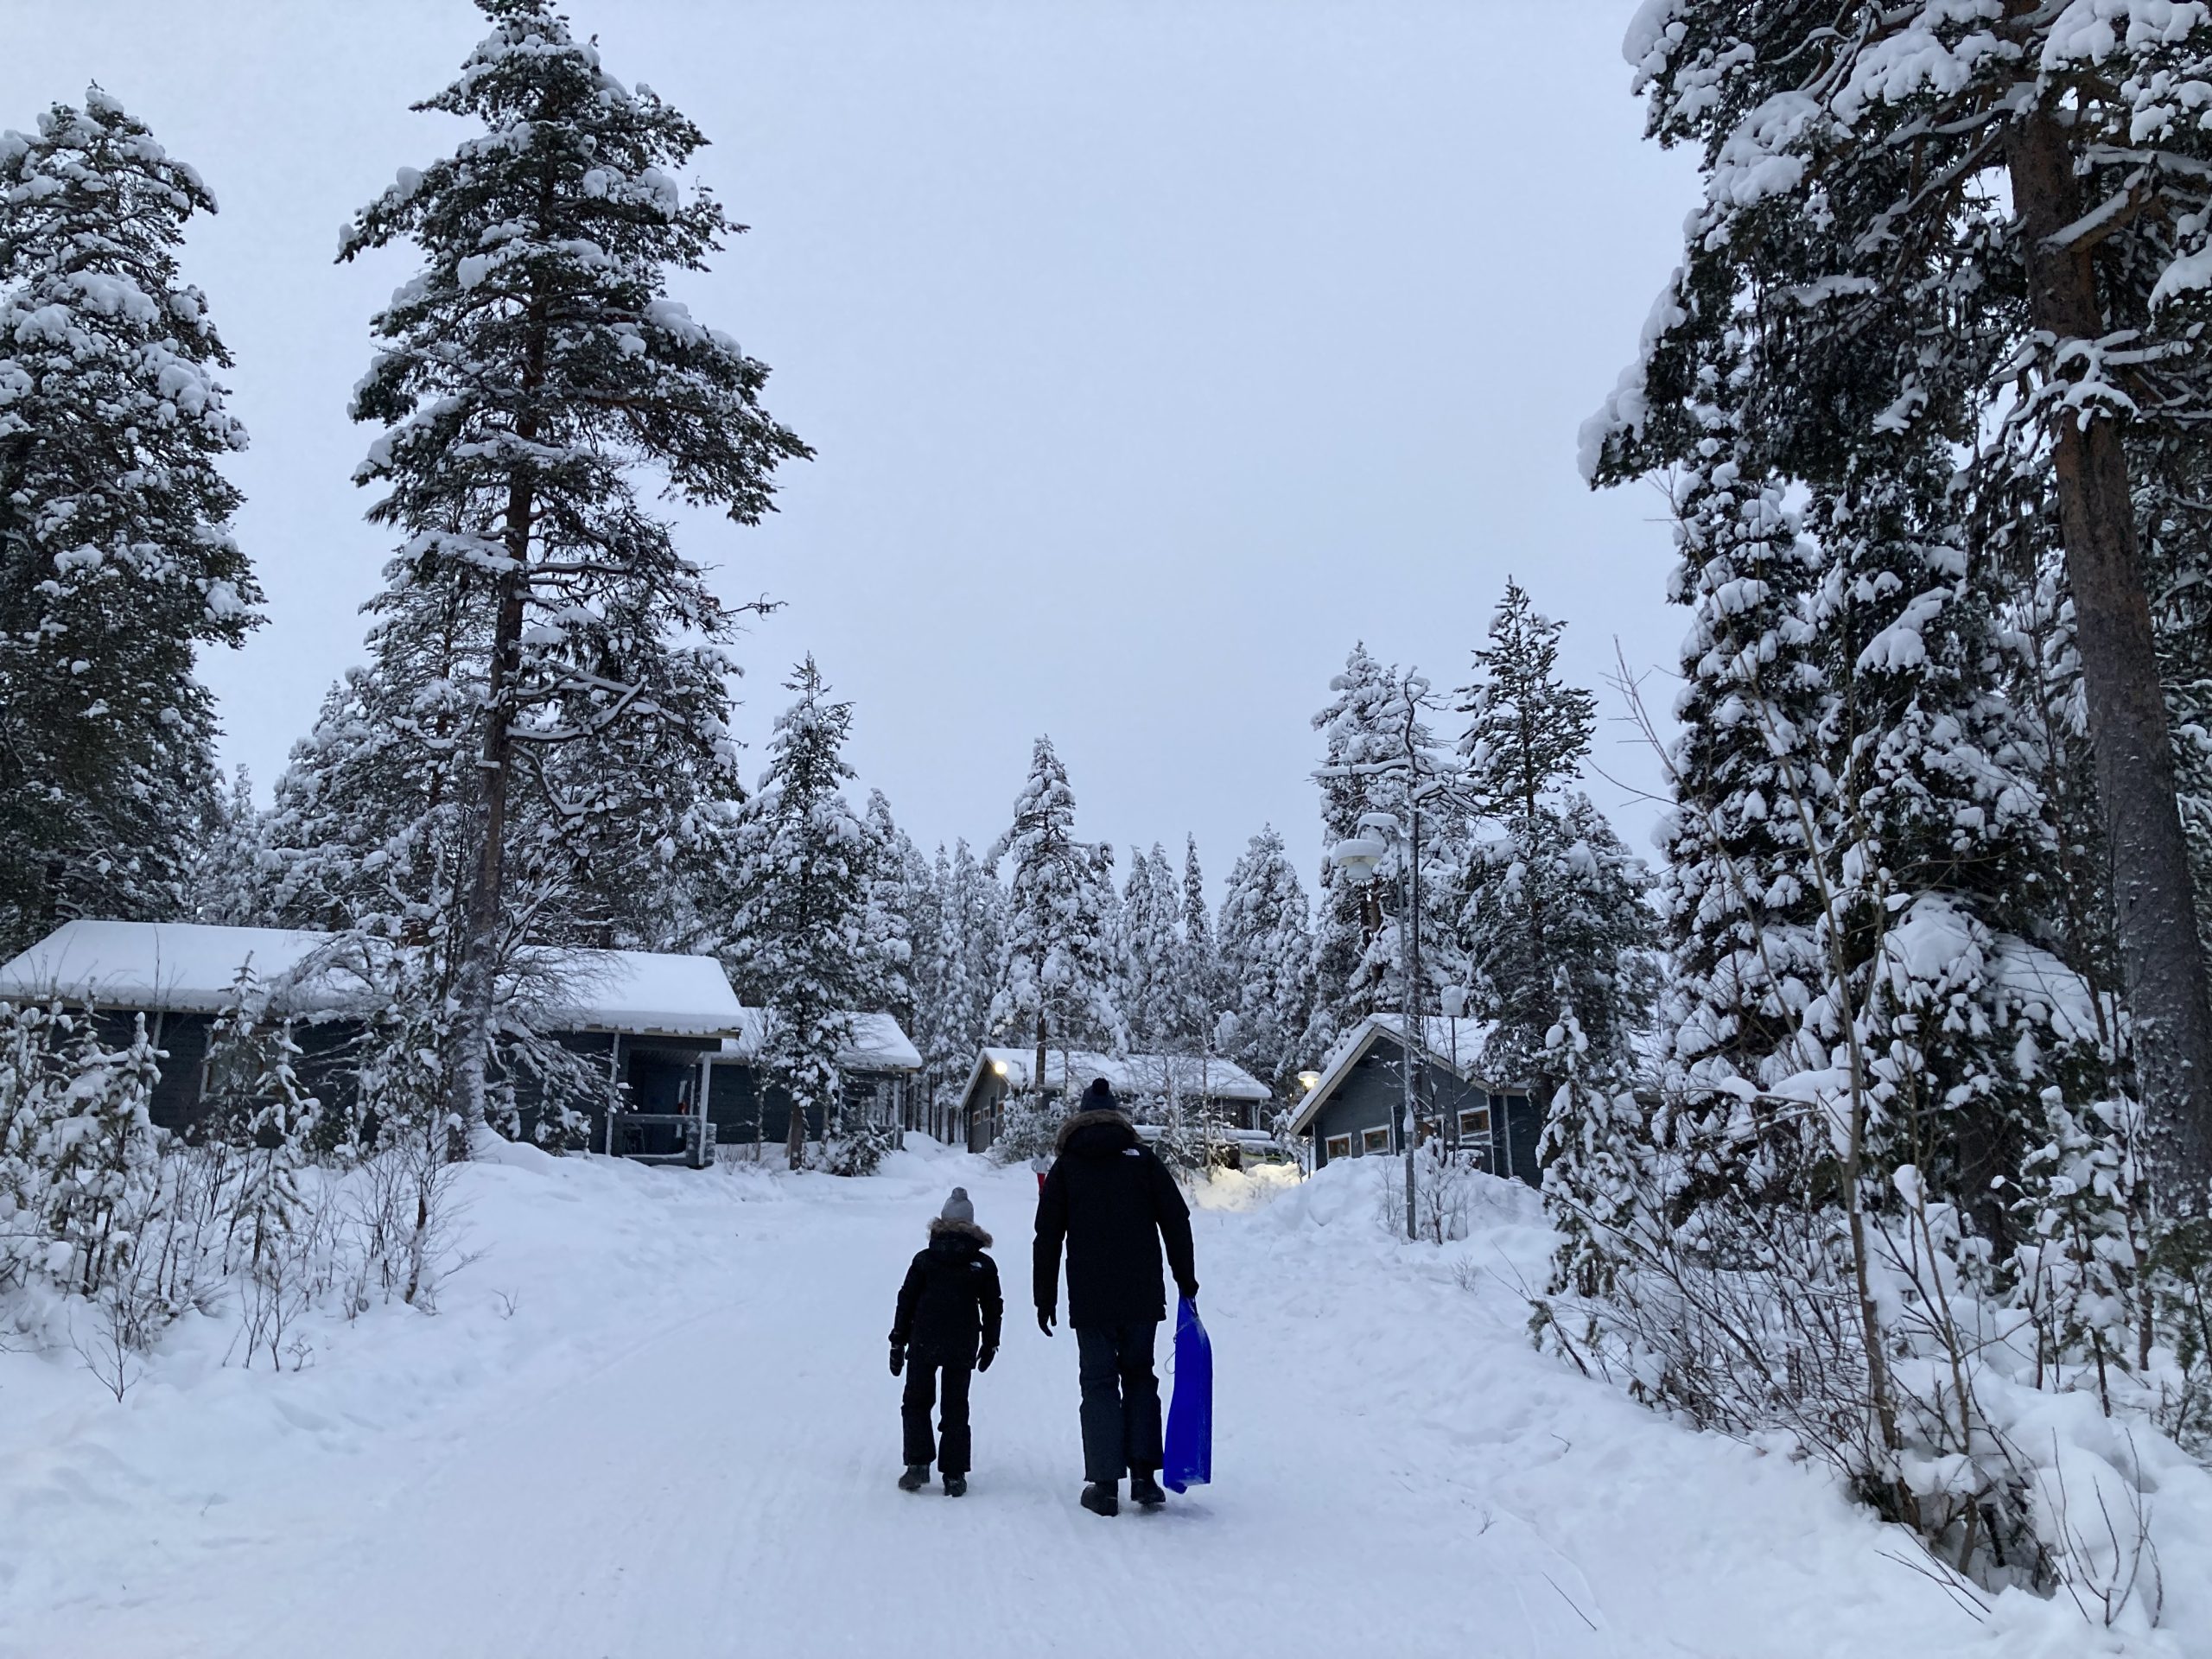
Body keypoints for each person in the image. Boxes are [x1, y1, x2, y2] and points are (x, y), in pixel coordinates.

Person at [1033, 1077, 1198, 1517]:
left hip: (1091, 1297)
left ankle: (1105, 1486)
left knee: (1099, 1382)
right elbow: (1176, 1220)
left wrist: (1044, 1295)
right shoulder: (1143, 1160)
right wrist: (1186, 1279)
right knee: (1140, 1376)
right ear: (1118, 1116)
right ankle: (1145, 1478)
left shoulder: (1068, 1166)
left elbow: (1046, 1236)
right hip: (1142, 1294)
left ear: (1079, 1118)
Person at [890, 1186, 1002, 1497]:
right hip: (962, 1343)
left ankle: (917, 1464)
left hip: (924, 1339)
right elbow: (993, 1306)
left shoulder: (925, 1259)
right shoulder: (981, 1264)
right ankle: (954, 1474)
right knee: (956, 1406)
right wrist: (991, 1341)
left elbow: (907, 1300)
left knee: (916, 1401)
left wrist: (898, 1340)